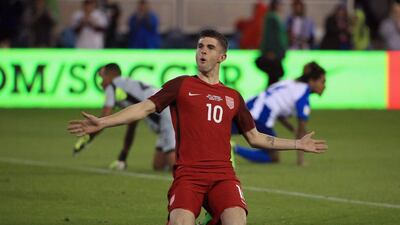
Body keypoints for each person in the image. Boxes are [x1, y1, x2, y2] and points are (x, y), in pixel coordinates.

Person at [68, 29, 327, 225]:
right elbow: (143, 108)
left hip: (223, 176)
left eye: (210, 47)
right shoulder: (181, 85)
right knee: (181, 221)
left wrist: (297, 144)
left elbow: (256, 137)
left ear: (222, 56)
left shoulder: (233, 97)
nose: (202, 51)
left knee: (237, 220)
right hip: (188, 177)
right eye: (200, 46)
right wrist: (103, 121)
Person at [73, 63, 175, 171]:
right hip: (167, 110)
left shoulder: (112, 86)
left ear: (110, 76)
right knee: (158, 166)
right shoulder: (127, 86)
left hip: (166, 113)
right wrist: (123, 157)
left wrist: (89, 137)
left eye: (102, 78)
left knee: (174, 163)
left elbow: (103, 118)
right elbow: (132, 126)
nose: (100, 83)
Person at [233, 61, 326, 166]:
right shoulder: (303, 95)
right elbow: (302, 131)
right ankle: (233, 148)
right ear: (312, 81)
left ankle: (227, 148)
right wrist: (301, 161)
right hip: (261, 116)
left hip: (248, 106)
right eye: (322, 82)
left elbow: (279, 111)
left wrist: (291, 128)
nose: (324, 86)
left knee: (222, 131)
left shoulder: (291, 83)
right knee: (272, 156)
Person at [256, 0, 288, 88]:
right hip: (273, 53)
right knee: (275, 75)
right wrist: (270, 51)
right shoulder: (272, 18)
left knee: (274, 76)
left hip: (275, 52)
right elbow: (270, 36)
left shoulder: (273, 17)